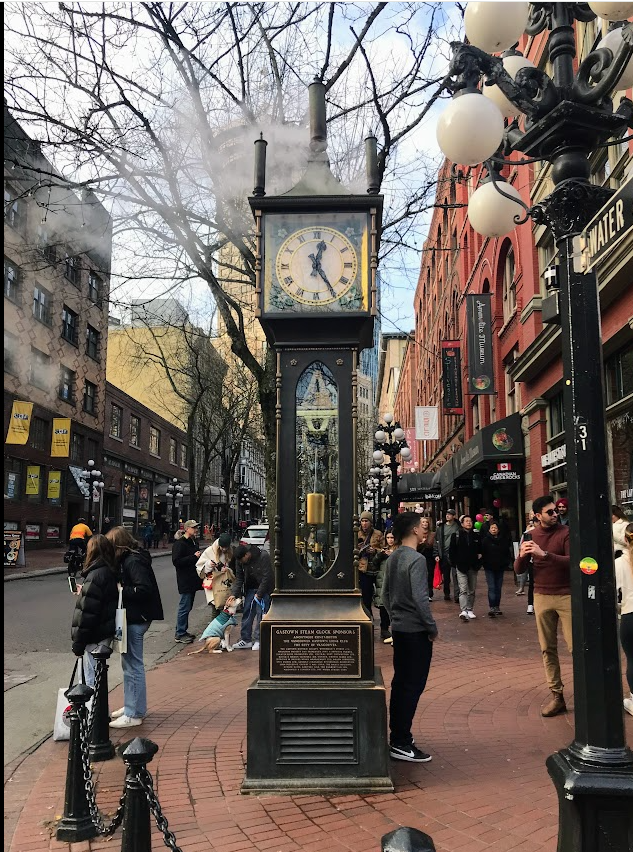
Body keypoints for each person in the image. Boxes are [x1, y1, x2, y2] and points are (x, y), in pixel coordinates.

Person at [382, 511, 438, 763]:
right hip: (416, 631)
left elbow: (384, 594)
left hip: (400, 629)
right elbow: (420, 598)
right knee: (413, 685)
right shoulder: (416, 559)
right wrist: (431, 627)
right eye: (421, 527)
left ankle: (399, 735)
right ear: (414, 530)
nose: (425, 530)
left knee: (401, 683)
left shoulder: (393, 557)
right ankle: (401, 741)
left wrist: (394, 618)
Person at [514, 495, 571, 717]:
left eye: (555, 510)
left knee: (576, 646)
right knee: (547, 648)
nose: (555, 514)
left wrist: (544, 554)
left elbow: (572, 561)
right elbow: (519, 570)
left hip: (566, 595)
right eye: (550, 512)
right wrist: (522, 556)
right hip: (541, 595)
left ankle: (586, 692)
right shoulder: (531, 535)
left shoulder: (565, 533)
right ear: (538, 516)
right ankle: (557, 695)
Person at [106, 526, 164, 728]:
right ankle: (132, 705)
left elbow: (143, 589)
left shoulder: (132, 561)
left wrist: (121, 590)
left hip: (136, 617)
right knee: (129, 664)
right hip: (137, 616)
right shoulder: (134, 558)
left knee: (132, 664)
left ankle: (134, 712)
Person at [71, 534, 119, 686]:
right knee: (99, 676)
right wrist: (85, 592)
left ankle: (93, 702)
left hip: (94, 635)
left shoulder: (95, 575)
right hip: (105, 630)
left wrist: (78, 644)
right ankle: (99, 701)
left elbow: (87, 614)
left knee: (90, 679)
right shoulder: (109, 571)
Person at [226, 543, 274, 651]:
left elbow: (267, 577)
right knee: (247, 612)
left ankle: (259, 639)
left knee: (261, 614)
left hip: (264, 589)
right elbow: (239, 578)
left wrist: (259, 593)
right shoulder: (239, 561)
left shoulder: (263, 556)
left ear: (247, 554)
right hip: (250, 588)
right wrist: (234, 594)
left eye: (242, 560)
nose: (241, 562)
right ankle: (245, 639)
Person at [171, 520, 203, 643]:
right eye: (193, 528)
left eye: (196, 527)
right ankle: (180, 633)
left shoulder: (194, 542)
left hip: (192, 579)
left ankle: (182, 630)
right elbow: (176, 561)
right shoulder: (180, 543)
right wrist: (193, 557)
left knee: (188, 607)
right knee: (184, 607)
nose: (196, 530)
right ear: (187, 529)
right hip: (185, 580)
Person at [615, 523, 633, 716]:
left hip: (629, 614)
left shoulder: (619, 563)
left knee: (632, 659)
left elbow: (616, 593)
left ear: (626, 540)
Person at [450, 515, 481, 621]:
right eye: (466, 521)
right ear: (462, 524)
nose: (469, 523)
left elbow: (480, 550)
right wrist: (455, 563)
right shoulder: (456, 535)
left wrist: (479, 562)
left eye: (470, 521)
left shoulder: (476, 536)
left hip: (473, 566)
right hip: (461, 566)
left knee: (472, 590)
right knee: (463, 589)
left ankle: (470, 609)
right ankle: (463, 610)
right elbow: (452, 551)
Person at [196, 532, 235, 618]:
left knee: (227, 609)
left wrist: (227, 570)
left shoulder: (231, 552)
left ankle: (222, 625)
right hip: (214, 584)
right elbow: (199, 568)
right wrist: (208, 565)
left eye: (226, 547)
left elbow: (234, 568)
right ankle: (215, 625)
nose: (224, 549)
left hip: (226, 583)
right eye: (222, 547)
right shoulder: (210, 551)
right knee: (216, 607)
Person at [481, 521, 512, 617]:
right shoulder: (485, 540)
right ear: (489, 529)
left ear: (498, 530)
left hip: (500, 567)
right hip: (489, 567)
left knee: (498, 587)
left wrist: (506, 563)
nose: (493, 529)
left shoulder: (503, 540)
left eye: (495, 528)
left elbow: (507, 553)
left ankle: (497, 606)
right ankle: (492, 607)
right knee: (492, 587)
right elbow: (482, 553)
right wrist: (484, 563)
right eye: (492, 528)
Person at [357, 511, 384, 618]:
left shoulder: (378, 534)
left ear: (371, 522)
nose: (364, 524)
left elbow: (384, 548)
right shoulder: (357, 534)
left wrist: (375, 551)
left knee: (381, 596)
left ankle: (384, 623)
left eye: (366, 521)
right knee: (366, 596)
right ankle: (369, 617)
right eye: (362, 521)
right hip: (364, 568)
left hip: (377, 568)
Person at [373, 530, 398, 643]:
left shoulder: (399, 550)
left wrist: (392, 555)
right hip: (383, 580)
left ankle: (395, 629)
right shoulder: (383, 550)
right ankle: (384, 629)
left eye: (392, 538)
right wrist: (380, 555)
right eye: (388, 538)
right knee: (383, 606)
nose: (390, 540)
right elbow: (375, 563)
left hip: (395, 581)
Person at [435, 508, 460, 602]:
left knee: (456, 575)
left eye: (450, 514)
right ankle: (446, 593)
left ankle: (457, 595)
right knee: (446, 576)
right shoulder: (441, 528)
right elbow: (437, 541)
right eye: (447, 514)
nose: (447, 516)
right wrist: (437, 553)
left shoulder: (458, 526)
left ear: (454, 516)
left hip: (454, 553)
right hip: (444, 554)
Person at [417, 517, 436, 601]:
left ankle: (429, 593)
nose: (425, 524)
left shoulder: (432, 534)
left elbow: (435, 545)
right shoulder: (417, 534)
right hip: (419, 555)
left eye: (426, 522)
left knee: (429, 574)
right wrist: (421, 543)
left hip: (429, 556)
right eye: (423, 522)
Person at [516, 514, 535, 597]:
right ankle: (521, 587)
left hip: (534, 559)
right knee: (524, 572)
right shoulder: (527, 532)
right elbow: (522, 543)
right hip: (527, 556)